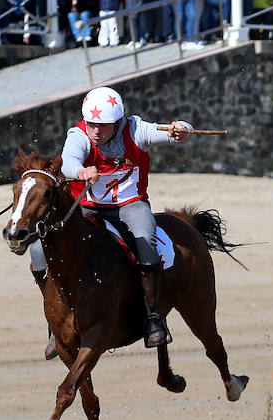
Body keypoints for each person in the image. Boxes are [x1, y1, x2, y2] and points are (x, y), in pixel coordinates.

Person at [27, 87, 193, 351]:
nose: (95, 131)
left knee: (146, 238)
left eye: (102, 126)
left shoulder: (136, 129)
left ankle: (153, 318)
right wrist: (80, 171)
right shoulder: (78, 134)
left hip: (130, 205)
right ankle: (54, 324)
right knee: (38, 250)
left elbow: (170, 132)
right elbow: (69, 162)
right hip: (87, 208)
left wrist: (180, 129)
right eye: (92, 124)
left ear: (117, 122)